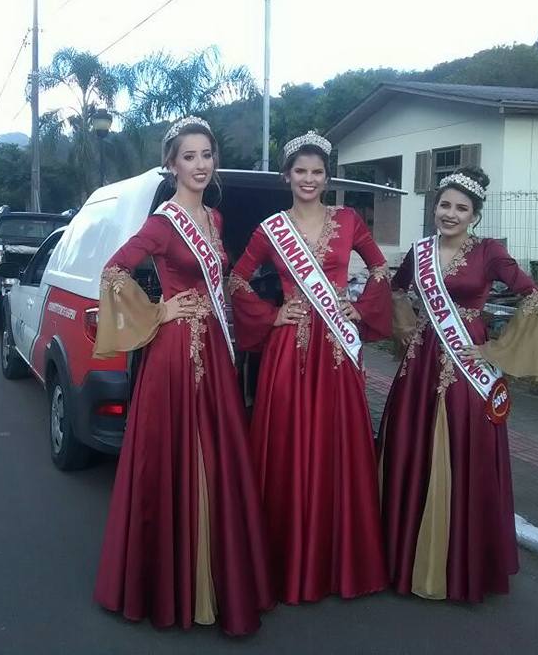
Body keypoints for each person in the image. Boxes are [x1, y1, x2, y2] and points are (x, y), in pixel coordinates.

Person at [92, 116, 273, 636]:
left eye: (206, 154)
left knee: (217, 454)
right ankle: (169, 582)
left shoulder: (214, 221)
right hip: (174, 354)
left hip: (214, 350)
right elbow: (115, 270)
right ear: (171, 165)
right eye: (189, 156)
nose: (200, 164)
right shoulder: (162, 223)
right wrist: (157, 312)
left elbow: (225, 279)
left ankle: (218, 577)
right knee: (176, 453)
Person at [377, 165, 538, 602]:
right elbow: (396, 290)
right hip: (421, 365)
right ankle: (403, 557)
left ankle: (464, 563)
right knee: (411, 449)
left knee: (466, 453)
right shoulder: (419, 252)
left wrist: (497, 350)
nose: (450, 214)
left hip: (466, 364)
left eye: (461, 208)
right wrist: (407, 330)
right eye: (444, 205)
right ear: (434, 207)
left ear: (475, 216)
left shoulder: (489, 251)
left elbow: (531, 294)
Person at [230, 131, 391, 604]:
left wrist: (359, 309)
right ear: (287, 176)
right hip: (289, 351)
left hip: (337, 352)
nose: (308, 179)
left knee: (337, 445)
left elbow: (381, 270)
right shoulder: (270, 228)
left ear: (328, 176)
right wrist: (273, 313)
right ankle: (286, 560)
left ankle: (339, 559)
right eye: (300, 171)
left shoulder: (349, 220)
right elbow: (237, 279)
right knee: (287, 443)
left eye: (317, 171)